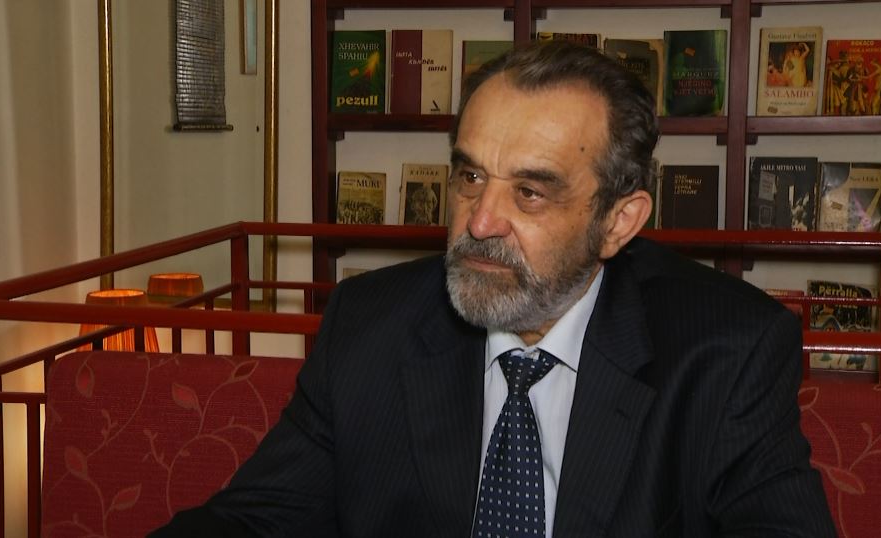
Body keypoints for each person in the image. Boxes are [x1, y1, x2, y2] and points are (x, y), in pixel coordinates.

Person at [151, 40, 835, 537]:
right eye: (471, 176)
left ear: (618, 222)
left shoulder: (726, 349)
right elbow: (256, 520)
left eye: (530, 192)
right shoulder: (369, 325)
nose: (480, 222)